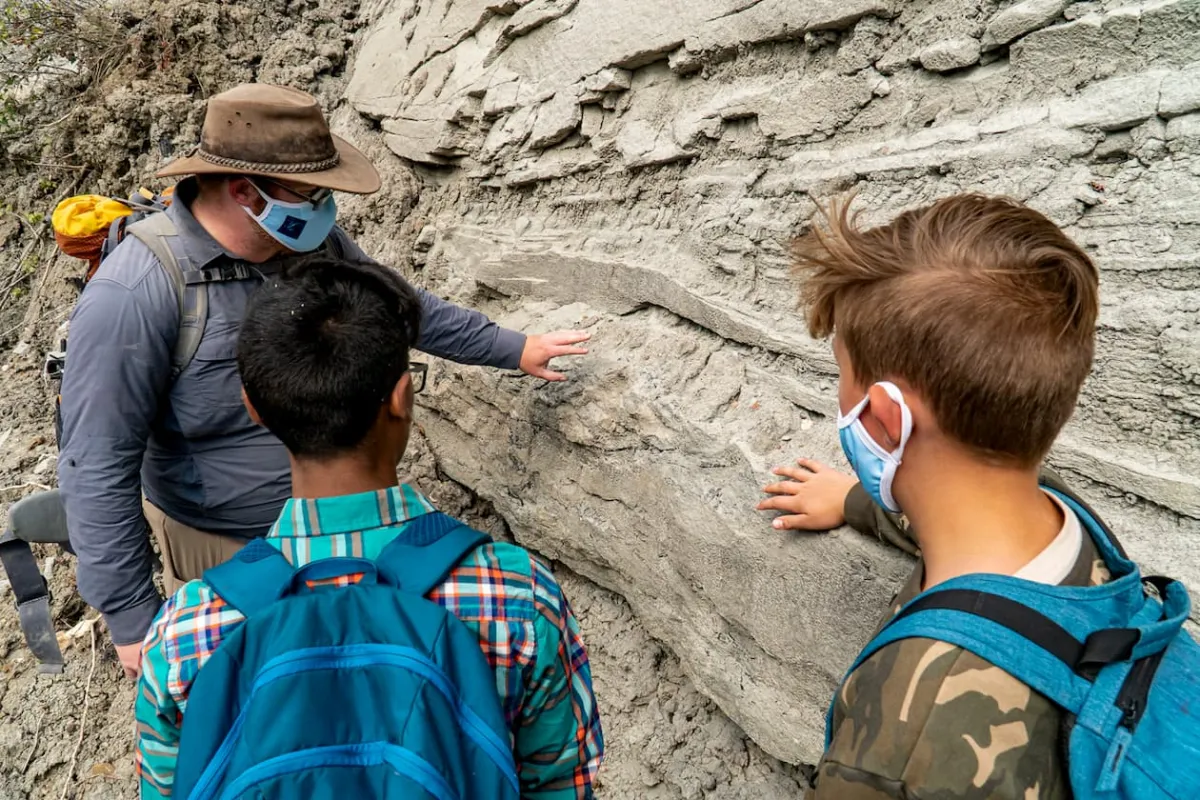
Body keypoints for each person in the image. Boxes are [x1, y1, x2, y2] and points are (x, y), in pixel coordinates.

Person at [57, 83, 590, 678]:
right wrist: (132, 616)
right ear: (243, 191)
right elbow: (96, 461)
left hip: (339, 521)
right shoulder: (137, 294)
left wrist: (513, 348)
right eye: (311, 193)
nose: (325, 208)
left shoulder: (306, 241)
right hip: (224, 543)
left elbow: (395, 304)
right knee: (241, 695)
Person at [135, 255, 603, 798]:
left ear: (253, 408)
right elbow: (562, 785)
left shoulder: (185, 629)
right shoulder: (519, 594)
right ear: (402, 399)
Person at [759, 193, 1105, 799]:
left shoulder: (903, 736)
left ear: (887, 418)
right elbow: (945, 511)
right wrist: (852, 504)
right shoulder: (1064, 514)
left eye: (842, 372)